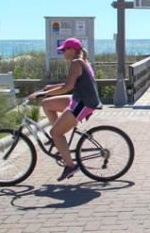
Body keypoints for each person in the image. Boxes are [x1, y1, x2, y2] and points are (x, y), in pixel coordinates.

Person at [32, 38, 101, 181]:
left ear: (72, 50)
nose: (62, 52)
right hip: (78, 98)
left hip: (84, 103)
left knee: (55, 132)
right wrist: (50, 88)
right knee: (47, 104)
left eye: (64, 50)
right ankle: (58, 139)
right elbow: (69, 83)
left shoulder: (76, 63)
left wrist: (43, 93)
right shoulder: (79, 61)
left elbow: (67, 87)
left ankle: (71, 166)